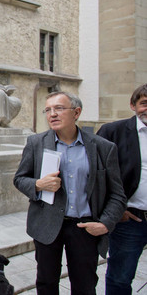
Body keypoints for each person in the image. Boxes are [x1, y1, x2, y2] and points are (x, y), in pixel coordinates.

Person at [14, 91, 126, 295]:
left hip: (84, 226)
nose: (52, 114)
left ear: (76, 112)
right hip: (47, 225)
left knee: (84, 285)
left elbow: (118, 194)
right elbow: (20, 179)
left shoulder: (103, 147)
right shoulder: (36, 143)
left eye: (58, 108)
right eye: (47, 110)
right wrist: (38, 184)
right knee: (46, 283)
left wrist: (105, 223)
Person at [97, 83, 147, 294]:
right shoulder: (113, 132)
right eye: (144, 103)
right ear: (132, 106)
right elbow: (95, 173)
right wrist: (115, 210)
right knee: (120, 277)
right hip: (130, 221)